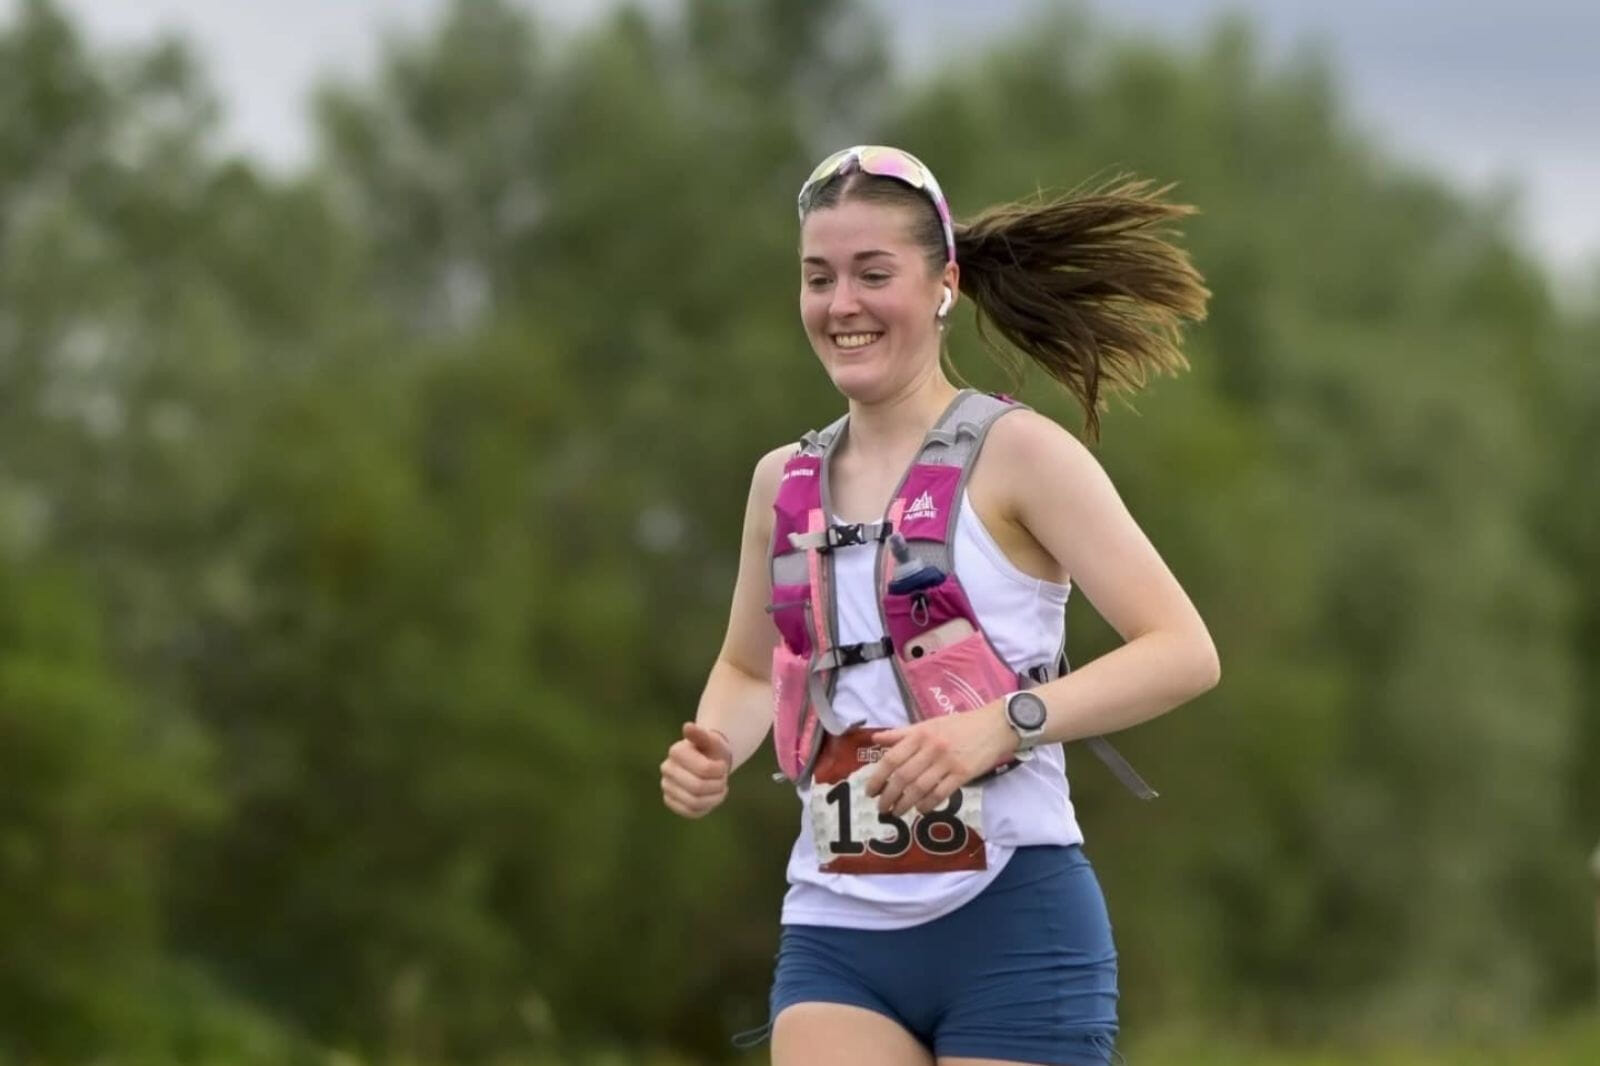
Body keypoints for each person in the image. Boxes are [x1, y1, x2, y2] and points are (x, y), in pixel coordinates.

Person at [659, 145, 1220, 1066]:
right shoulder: (781, 482)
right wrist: (715, 744)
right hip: (836, 928)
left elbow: (1183, 650)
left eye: (873, 274)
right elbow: (751, 670)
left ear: (943, 285)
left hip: (1013, 921)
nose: (842, 304)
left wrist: (999, 725)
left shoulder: (1024, 455)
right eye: (818, 278)